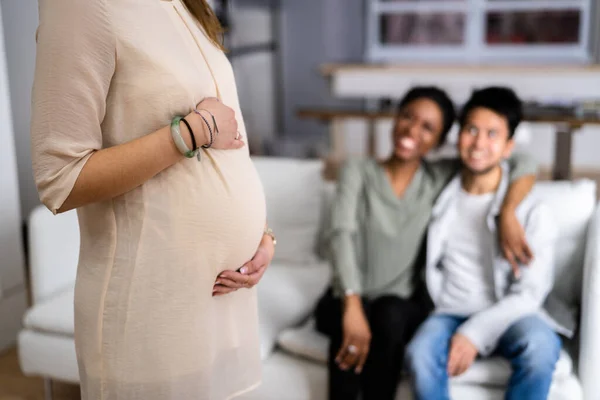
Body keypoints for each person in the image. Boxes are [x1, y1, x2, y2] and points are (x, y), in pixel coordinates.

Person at [30, 1, 275, 399]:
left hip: (225, 302)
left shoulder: (186, 6)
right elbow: (60, 179)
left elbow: (231, 148)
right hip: (153, 311)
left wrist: (261, 237)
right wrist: (193, 132)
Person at [314, 86, 539, 400]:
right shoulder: (358, 171)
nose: (412, 130)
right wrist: (351, 305)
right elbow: (340, 235)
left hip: (398, 305)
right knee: (346, 327)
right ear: (396, 118)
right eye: (407, 117)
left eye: (428, 127)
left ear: (440, 140)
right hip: (348, 296)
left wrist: (508, 212)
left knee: (388, 315)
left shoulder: (438, 178)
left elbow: (524, 162)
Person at [405, 87, 575, 400]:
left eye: (492, 134)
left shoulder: (531, 210)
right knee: (419, 354)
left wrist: (473, 334)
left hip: (513, 312)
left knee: (540, 348)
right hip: (448, 310)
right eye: (471, 130)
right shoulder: (440, 192)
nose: (479, 143)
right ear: (458, 136)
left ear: (508, 146)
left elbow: (530, 294)